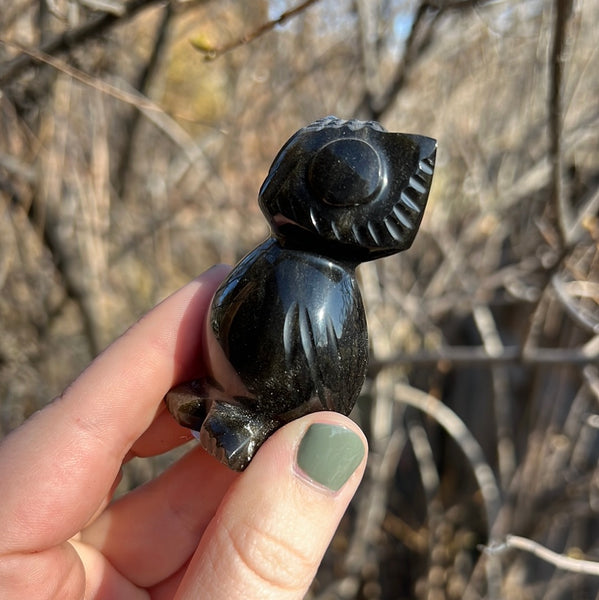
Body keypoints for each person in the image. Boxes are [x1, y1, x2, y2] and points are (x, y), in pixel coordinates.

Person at [0, 265, 367, 599]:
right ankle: (218, 403)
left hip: (263, 414)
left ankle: (227, 409)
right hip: (223, 393)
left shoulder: (328, 289)